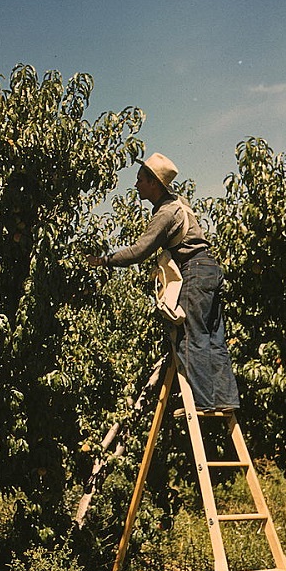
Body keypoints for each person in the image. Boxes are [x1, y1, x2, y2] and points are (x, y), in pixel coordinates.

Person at [87, 153, 239, 412]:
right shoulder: (179, 203)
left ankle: (204, 402)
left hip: (194, 269)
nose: (136, 185)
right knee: (213, 336)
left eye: (140, 180)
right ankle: (226, 399)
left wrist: (103, 261)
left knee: (190, 336)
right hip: (210, 269)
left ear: (155, 183)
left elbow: (139, 251)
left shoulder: (166, 213)